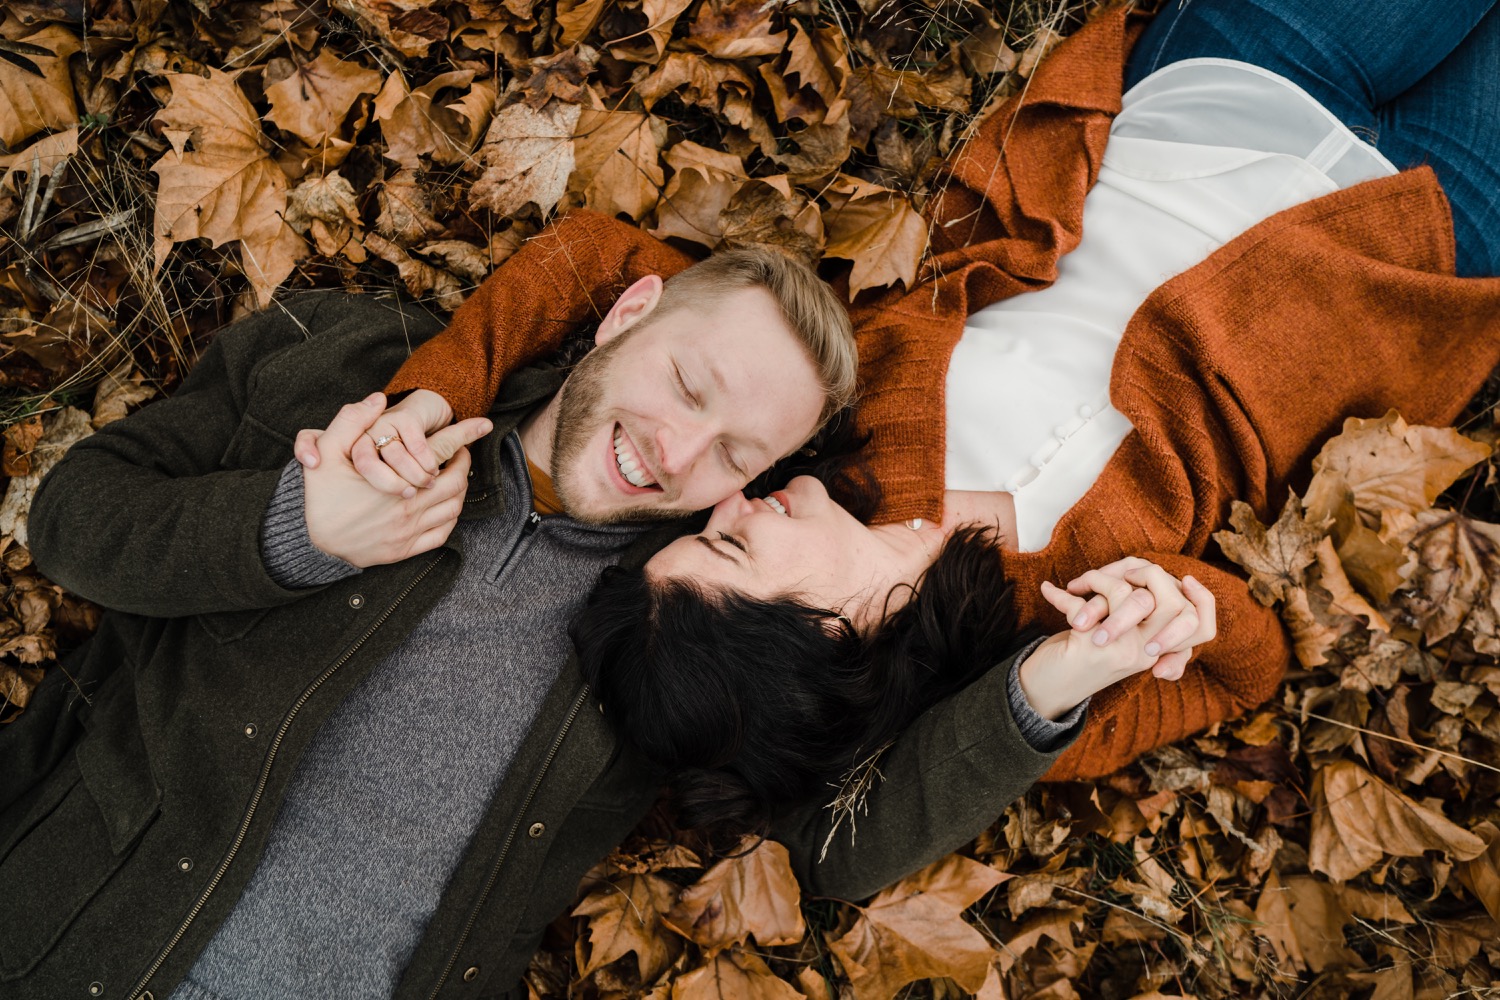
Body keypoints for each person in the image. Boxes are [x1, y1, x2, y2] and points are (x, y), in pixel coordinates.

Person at [350, 0, 1500, 827]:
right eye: (733, 545)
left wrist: (429, 403)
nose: (730, 500)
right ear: (822, 634)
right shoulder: (1035, 663)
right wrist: (1181, 611)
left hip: (1236, 86)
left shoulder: (821, 433)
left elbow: (612, 268)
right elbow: (1247, 665)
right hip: (1417, 249)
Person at [0, 229, 1180, 1000]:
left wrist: (1048, 687)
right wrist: (295, 530)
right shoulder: (343, 367)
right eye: (686, 384)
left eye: (737, 453)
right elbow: (71, 517)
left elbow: (836, 834)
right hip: (67, 936)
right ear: (627, 313)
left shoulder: (687, 609)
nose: (676, 452)